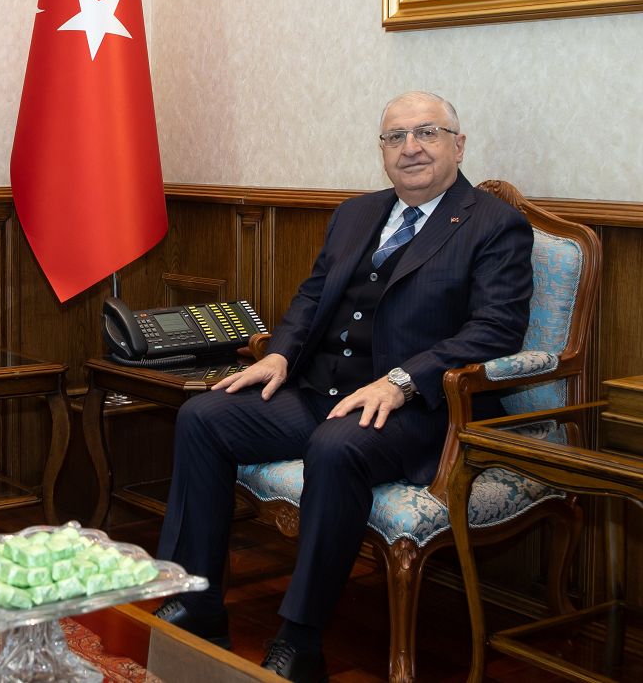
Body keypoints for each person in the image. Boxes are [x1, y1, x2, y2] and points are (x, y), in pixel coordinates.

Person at [153, 91, 533, 682]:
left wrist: (403, 381)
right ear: (382, 150)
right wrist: (280, 354)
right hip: (320, 392)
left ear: (458, 145)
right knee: (204, 416)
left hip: (415, 409)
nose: (411, 147)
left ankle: (300, 640)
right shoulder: (356, 214)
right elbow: (312, 297)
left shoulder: (494, 224)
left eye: (427, 133)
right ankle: (197, 604)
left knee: (335, 450)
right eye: (395, 136)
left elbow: (497, 328)